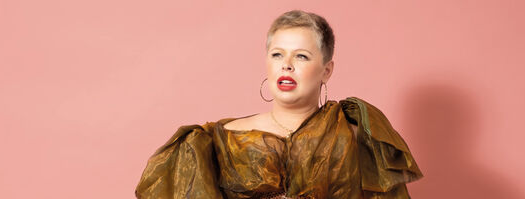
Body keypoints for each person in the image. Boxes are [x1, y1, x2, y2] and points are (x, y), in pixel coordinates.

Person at [135, 10, 423, 199]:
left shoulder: (355, 136)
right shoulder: (217, 140)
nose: (286, 65)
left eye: (301, 56)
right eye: (277, 55)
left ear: (327, 70)